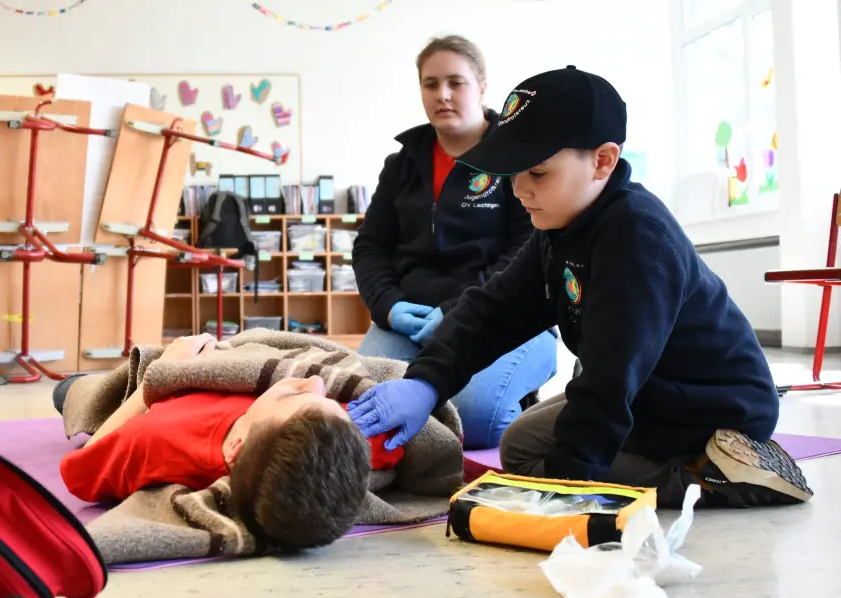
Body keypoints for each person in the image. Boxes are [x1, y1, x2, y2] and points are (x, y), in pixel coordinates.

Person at [348, 65, 813, 509]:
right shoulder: (560, 228)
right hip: (650, 390)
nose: (518, 190)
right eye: (513, 174)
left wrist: (564, 490)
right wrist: (426, 383)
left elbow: (611, 380)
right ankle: (668, 463)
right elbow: (493, 311)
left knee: (542, 463)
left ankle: (713, 475)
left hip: (709, 408)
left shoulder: (636, 237)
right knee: (520, 447)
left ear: (602, 161)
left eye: (538, 173)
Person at [352, 35, 557, 450]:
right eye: (430, 84)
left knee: (472, 418)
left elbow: (526, 253)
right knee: (361, 401)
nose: (442, 95)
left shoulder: (519, 158)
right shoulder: (402, 164)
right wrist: (387, 306)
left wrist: (457, 310)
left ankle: (524, 410)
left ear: (482, 87)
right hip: (410, 318)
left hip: (502, 313)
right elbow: (370, 246)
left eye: (456, 82)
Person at [54, 334, 398, 550]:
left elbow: (80, 470)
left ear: (237, 446)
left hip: (164, 377)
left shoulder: (156, 438)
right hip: (230, 347)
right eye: (326, 399)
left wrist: (156, 376)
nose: (314, 383)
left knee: (69, 391)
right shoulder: (362, 435)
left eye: (293, 396)